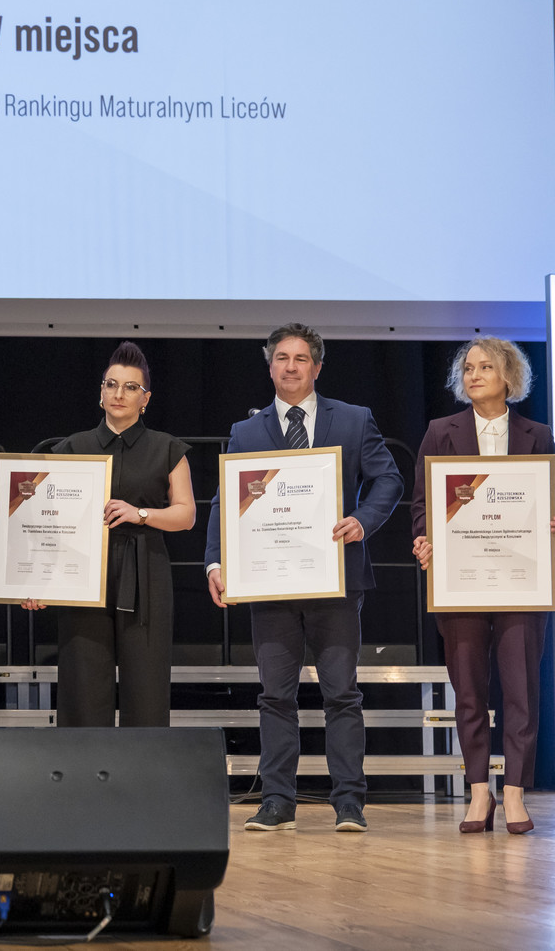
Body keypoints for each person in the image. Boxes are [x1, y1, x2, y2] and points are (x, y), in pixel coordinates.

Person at [204, 323, 402, 834]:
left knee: (342, 695)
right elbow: (225, 500)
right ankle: (277, 801)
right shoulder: (246, 432)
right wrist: (215, 562)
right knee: (275, 696)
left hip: (334, 579)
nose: (290, 367)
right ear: (270, 366)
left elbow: (388, 478)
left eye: (300, 358)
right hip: (269, 581)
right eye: (281, 358)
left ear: (317, 367)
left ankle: (349, 803)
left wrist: (363, 520)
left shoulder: (353, 419)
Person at [410, 337, 555, 835]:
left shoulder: (539, 435)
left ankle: (513, 791)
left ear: (509, 377)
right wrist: (424, 537)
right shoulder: (440, 431)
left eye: (485, 367)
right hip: (460, 580)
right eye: (468, 368)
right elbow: (422, 505)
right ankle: (478, 791)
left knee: (520, 689)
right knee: (469, 689)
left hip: (521, 580)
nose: (473, 375)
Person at [26, 341, 194, 727]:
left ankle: (143, 768)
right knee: (82, 687)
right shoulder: (70, 448)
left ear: (145, 399)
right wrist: (37, 580)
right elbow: (46, 522)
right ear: (100, 392)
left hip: (146, 570)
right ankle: (85, 767)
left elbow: (186, 515)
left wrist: (141, 514)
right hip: (81, 574)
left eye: (131, 387)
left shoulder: (168, 448)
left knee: (147, 688)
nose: (119, 393)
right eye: (111, 384)